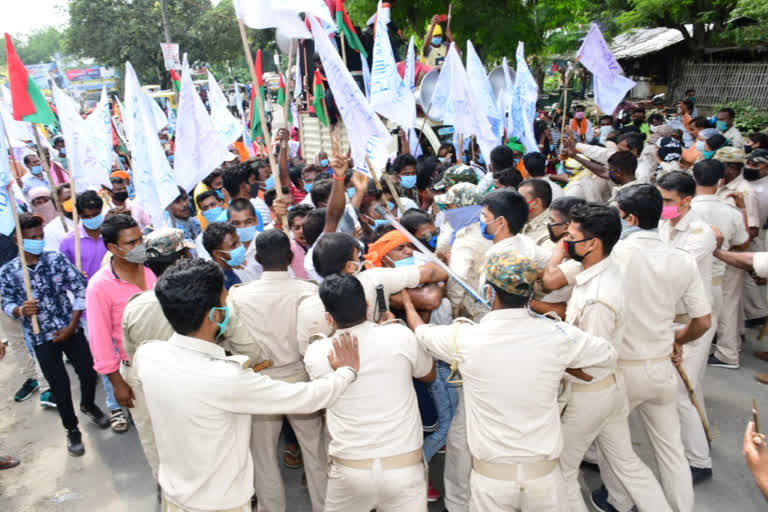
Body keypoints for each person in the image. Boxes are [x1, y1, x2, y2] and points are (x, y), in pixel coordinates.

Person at [133, 258, 360, 511]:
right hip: (221, 504)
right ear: (215, 315)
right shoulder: (223, 378)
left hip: (174, 496)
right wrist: (346, 372)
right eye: (224, 301)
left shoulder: (148, 355)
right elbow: (306, 397)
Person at [405, 251, 616, 511]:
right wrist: (568, 365)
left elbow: (422, 333)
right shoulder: (559, 336)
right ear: (531, 293)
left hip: (491, 480)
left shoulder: (465, 339)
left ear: (488, 293)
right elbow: (606, 356)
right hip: (545, 477)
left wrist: (407, 302)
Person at [592, 184, 711, 512]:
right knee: (671, 449)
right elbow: (702, 321)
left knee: (614, 444)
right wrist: (677, 340)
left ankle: (618, 501)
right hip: (661, 366)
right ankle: (681, 506)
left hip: (622, 369)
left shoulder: (613, 256)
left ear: (627, 217)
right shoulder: (681, 259)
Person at [550, 203, 671, 512]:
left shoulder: (598, 299)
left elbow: (591, 361)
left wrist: (548, 353)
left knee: (560, 470)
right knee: (628, 464)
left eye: (572, 236)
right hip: (612, 388)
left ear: (593, 243)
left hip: (589, 394)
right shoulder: (600, 267)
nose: (566, 242)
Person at [303, 273, 433, 511]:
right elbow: (428, 374)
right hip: (403, 466)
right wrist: (392, 328)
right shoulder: (399, 336)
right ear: (368, 305)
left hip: (350, 470)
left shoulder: (317, 353)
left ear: (328, 318)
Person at [223, 229, 326, 512]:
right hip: (302, 380)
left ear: (256, 257)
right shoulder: (308, 291)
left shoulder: (238, 296)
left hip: (259, 383)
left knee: (264, 459)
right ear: (290, 256)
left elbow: (231, 340)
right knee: (315, 452)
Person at [0, 213, 105, 456]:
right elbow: (6, 303)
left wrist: (72, 324)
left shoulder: (55, 259)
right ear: (17, 240)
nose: (38, 240)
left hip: (70, 328)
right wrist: (19, 309)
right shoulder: (8, 272)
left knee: (89, 372)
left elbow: (80, 290)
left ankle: (88, 404)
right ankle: (72, 429)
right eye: (32, 237)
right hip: (40, 337)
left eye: (40, 236)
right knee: (59, 385)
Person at [656, 171, 719, 482]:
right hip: (672, 317)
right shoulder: (664, 222)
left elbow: (671, 270)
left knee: (680, 392)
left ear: (686, 201)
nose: (663, 206)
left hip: (693, 322)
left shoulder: (700, 232)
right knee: (690, 387)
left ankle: (698, 462)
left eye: (668, 201)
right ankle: (703, 438)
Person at [118, 227, 193, 480]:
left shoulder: (136, 307)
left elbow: (131, 359)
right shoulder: (202, 298)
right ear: (182, 258)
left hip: (155, 393)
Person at [85, 214, 155, 435]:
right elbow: (100, 340)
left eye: (140, 240)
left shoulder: (151, 270)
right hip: (136, 370)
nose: (139, 247)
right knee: (151, 433)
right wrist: (118, 383)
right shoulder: (99, 287)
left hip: (168, 362)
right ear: (113, 248)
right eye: (130, 243)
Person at [227, 199, 265, 282]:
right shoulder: (226, 250)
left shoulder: (267, 244)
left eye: (248, 222)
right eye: (236, 223)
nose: (243, 227)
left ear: (256, 221)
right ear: (228, 224)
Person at [519, 179, 554, 246]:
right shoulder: (519, 219)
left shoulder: (550, 230)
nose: (516, 203)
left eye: (521, 199)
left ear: (536, 203)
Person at [43, 183, 74, 251]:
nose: (73, 200)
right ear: (58, 206)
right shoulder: (51, 230)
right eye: (68, 198)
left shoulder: (91, 218)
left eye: (74, 196)